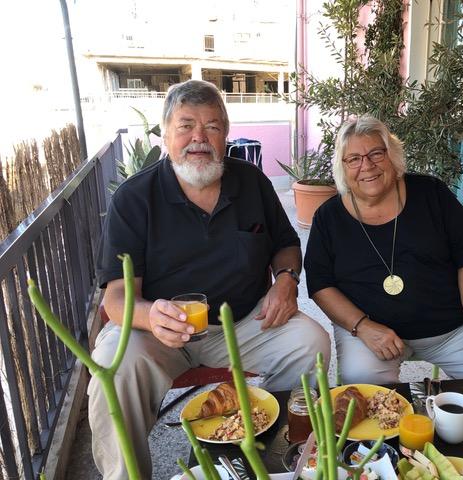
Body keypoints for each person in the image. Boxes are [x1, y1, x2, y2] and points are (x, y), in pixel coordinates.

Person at [89, 79, 330, 479]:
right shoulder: (134, 198)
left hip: (245, 322)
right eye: (186, 126)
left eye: (213, 127)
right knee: (112, 372)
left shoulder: (251, 182)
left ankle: (276, 457)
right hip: (159, 331)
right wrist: (152, 317)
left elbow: (286, 245)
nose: (199, 138)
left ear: (226, 135)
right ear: (165, 134)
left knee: (311, 342)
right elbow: (116, 298)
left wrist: (286, 280)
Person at [304, 115, 463, 385]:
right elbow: (319, 284)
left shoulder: (432, 194)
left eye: (376, 153)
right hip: (373, 334)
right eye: (354, 159)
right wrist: (362, 327)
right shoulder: (329, 217)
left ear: (392, 156)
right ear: (342, 167)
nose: (367, 166)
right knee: (362, 392)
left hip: (451, 330)